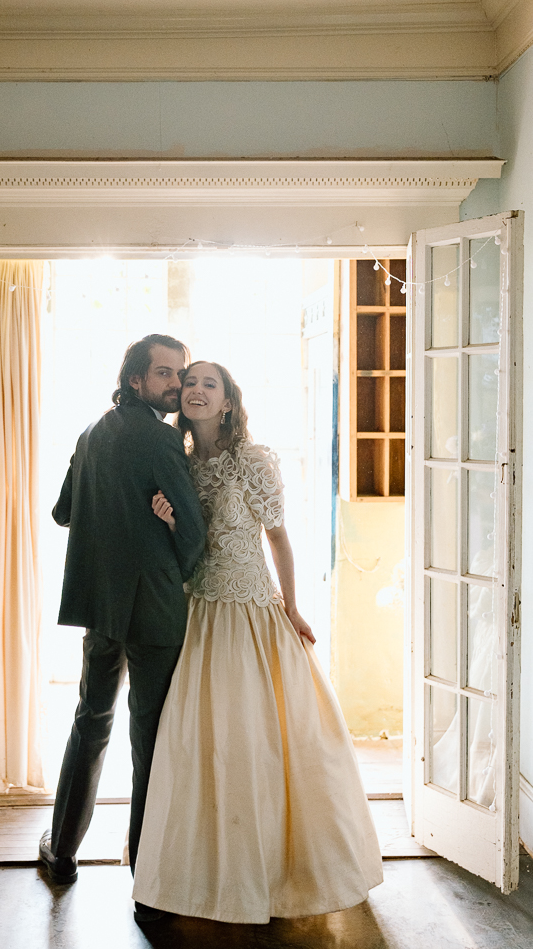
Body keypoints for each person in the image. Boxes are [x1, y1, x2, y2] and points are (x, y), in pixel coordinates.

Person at [132, 361, 383, 924]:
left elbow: (278, 538)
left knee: (262, 740)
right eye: (189, 382)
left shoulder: (253, 460)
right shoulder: (181, 463)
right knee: (199, 744)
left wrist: (290, 609)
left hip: (250, 613)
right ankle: (203, 874)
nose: (195, 389)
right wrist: (173, 525)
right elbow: (191, 549)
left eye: (208, 384)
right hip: (200, 612)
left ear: (227, 402)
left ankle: (270, 874)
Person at [39, 336, 206, 918]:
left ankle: (61, 853)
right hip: (155, 610)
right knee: (150, 742)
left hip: (101, 609)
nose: (176, 385)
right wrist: (175, 558)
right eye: (165, 374)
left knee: (91, 723)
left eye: (180, 374)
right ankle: (148, 884)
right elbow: (195, 533)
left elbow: (63, 513)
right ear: (134, 379)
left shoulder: (89, 435)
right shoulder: (163, 439)